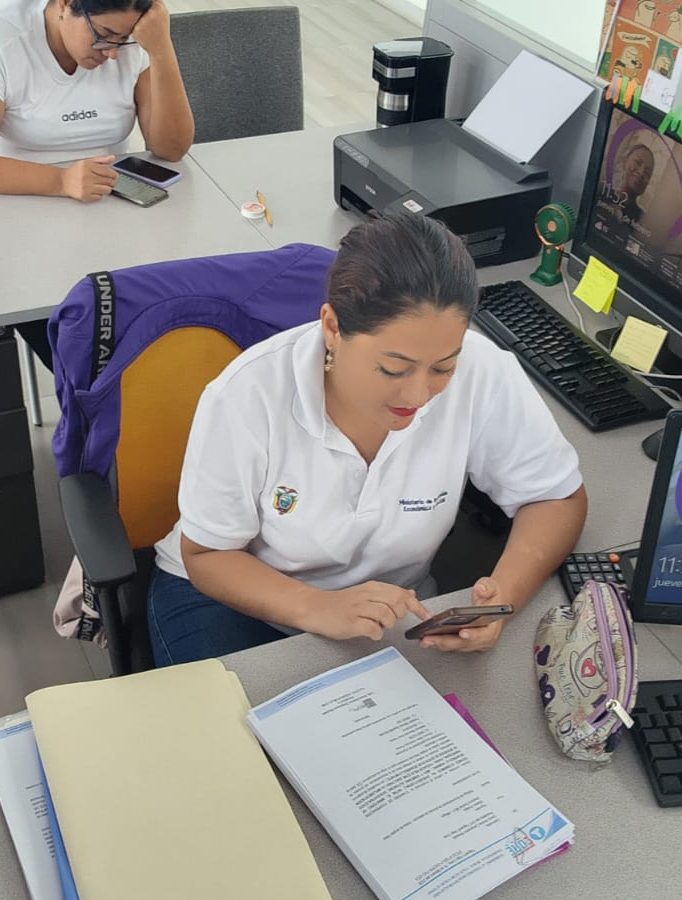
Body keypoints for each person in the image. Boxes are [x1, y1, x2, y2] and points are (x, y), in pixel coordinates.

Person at [146, 213, 589, 667]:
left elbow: (554, 497)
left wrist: (502, 599)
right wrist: (317, 607)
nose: (419, 396)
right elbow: (207, 555)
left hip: (386, 615)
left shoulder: (482, 371)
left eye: (443, 368)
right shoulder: (246, 395)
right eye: (393, 369)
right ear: (332, 328)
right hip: (231, 599)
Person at [0, 0, 194, 202]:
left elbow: (171, 149)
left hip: (104, 199)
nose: (112, 53)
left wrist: (161, 48)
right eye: (103, 34)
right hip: (15, 200)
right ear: (65, 4)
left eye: (124, 39)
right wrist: (61, 181)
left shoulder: (134, 41)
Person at [610, 141, 655, 227]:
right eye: (637, 162)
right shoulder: (601, 193)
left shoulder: (643, 221)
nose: (641, 172)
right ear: (624, 162)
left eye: (647, 173)